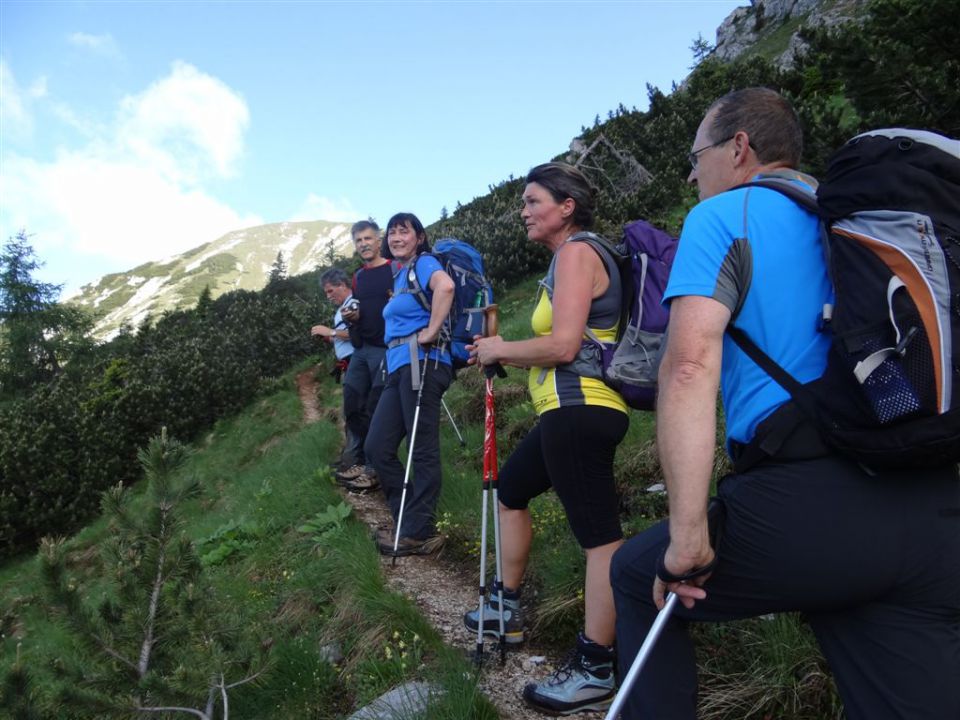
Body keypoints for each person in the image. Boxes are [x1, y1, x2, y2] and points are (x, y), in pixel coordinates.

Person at [610, 87, 960, 720]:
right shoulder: (854, 218)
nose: (692, 174)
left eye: (697, 156)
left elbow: (687, 367)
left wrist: (689, 535)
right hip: (929, 502)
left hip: (808, 502)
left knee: (640, 577)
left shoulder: (725, 216)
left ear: (739, 148)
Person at [466, 162, 629, 715]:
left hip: (580, 410)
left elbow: (562, 346)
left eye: (533, 200)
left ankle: (595, 665)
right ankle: (505, 606)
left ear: (566, 206)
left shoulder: (577, 254)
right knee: (511, 491)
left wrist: (499, 349)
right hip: (565, 412)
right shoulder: (574, 257)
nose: (524, 210)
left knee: (600, 540)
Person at [366, 212, 455, 557]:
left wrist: (431, 332)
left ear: (419, 237)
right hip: (400, 365)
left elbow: (445, 287)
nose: (396, 237)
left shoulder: (425, 263)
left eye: (404, 232)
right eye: (391, 233)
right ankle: (406, 516)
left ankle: (419, 531)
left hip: (424, 364)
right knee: (377, 447)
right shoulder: (402, 275)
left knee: (422, 448)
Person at [337, 220, 393, 492]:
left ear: (378, 239)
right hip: (362, 348)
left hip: (387, 348)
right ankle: (359, 459)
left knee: (375, 407)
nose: (363, 244)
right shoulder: (359, 276)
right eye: (358, 240)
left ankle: (373, 469)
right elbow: (363, 307)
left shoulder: (394, 268)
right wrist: (353, 316)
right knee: (352, 401)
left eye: (367, 238)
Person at [311, 268, 364, 484]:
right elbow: (343, 336)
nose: (328, 296)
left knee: (355, 413)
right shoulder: (342, 308)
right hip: (348, 364)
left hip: (356, 363)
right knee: (351, 413)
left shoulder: (354, 304)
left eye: (330, 290)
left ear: (343, 285)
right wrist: (329, 338)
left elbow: (356, 333)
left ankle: (355, 461)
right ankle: (350, 458)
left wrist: (330, 332)